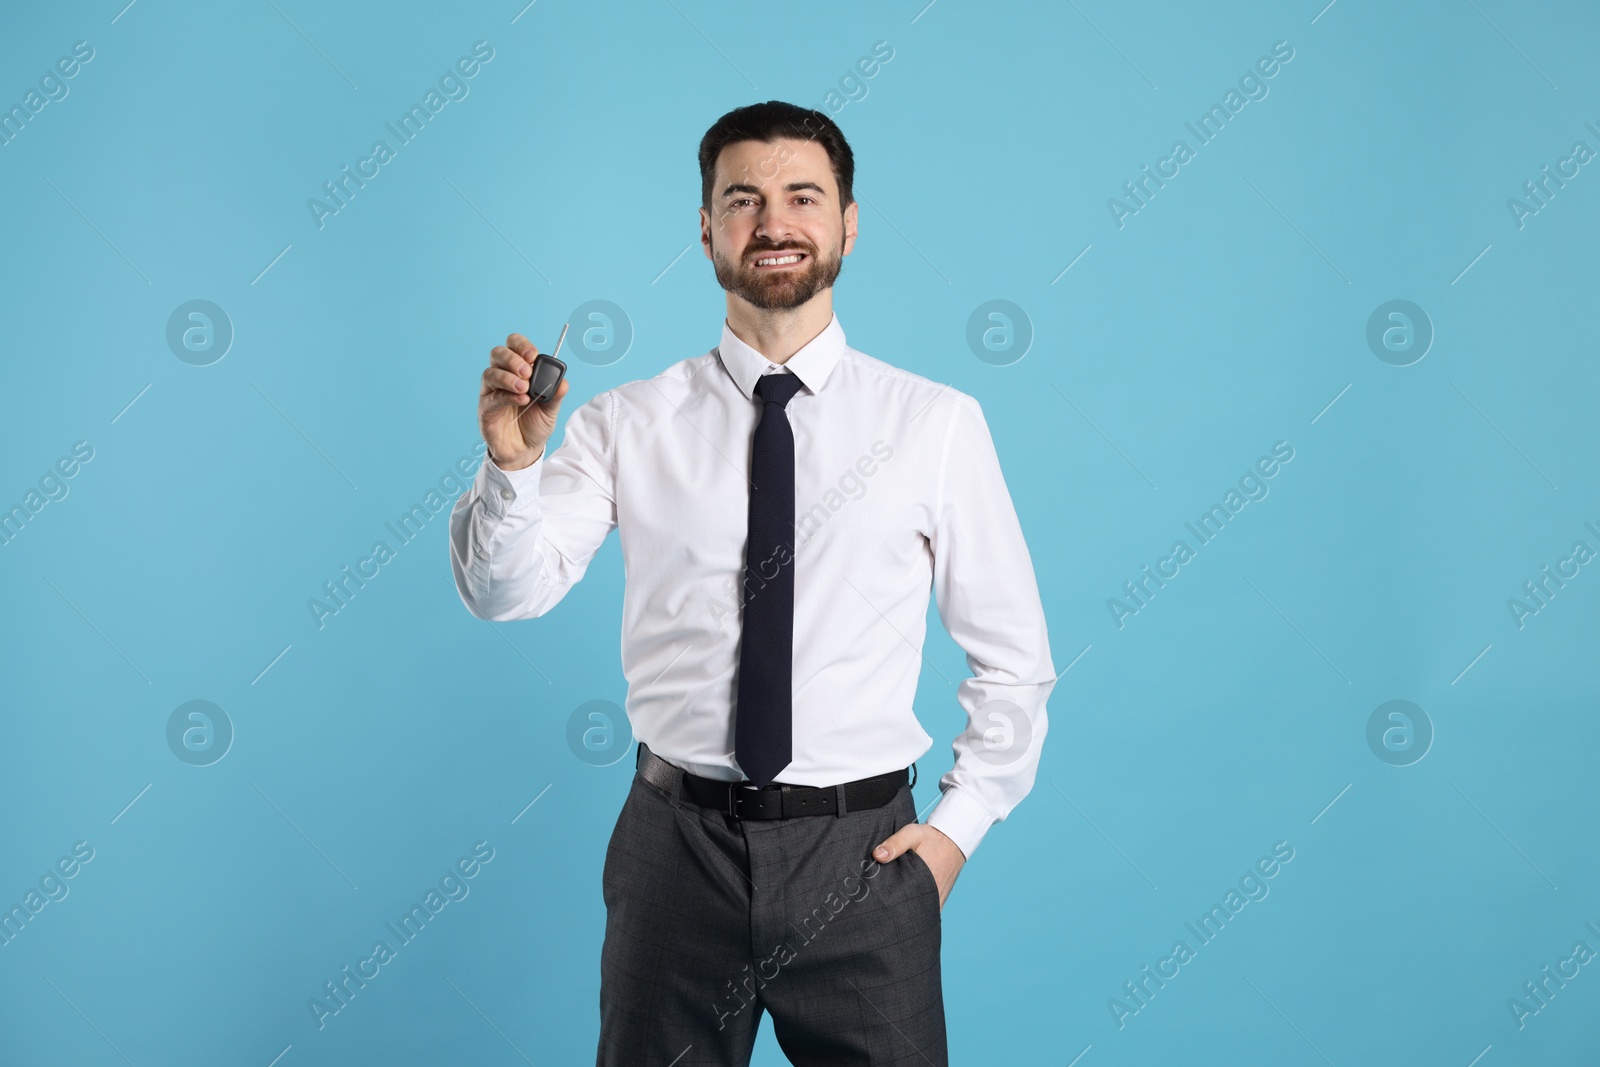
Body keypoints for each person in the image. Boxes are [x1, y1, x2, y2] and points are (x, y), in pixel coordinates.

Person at [448, 100, 1056, 1066]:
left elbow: (1016, 660)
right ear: (706, 228)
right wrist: (511, 470)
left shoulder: (937, 423)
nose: (774, 222)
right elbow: (503, 592)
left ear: (849, 223)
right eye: (744, 199)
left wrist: (954, 833)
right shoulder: (625, 422)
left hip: (863, 860)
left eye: (802, 196)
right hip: (672, 852)